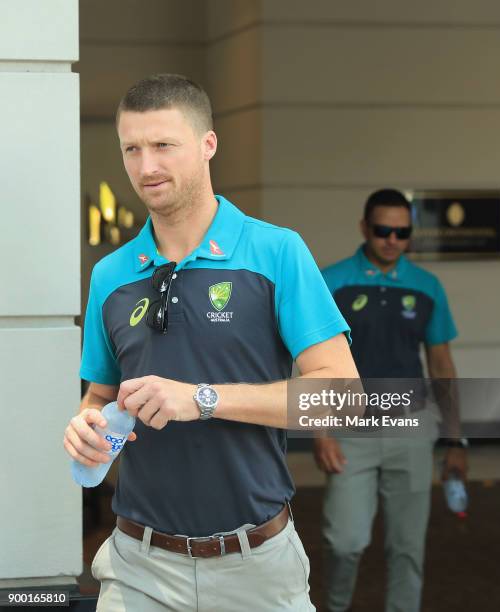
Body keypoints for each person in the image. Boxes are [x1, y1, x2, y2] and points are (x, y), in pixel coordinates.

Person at [63, 74, 359, 612]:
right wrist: (87, 425)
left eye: (163, 146)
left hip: (258, 566)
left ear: (207, 145)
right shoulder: (110, 274)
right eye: (131, 149)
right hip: (137, 566)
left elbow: (342, 397)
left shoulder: (276, 252)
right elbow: (99, 395)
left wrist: (201, 398)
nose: (145, 166)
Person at [315, 189, 468, 612]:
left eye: (402, 232)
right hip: (349, 434)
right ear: (365, 228)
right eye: (383, 230)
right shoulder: (331, 282)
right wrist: (321, 432)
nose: (392, 240)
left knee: (406, 549)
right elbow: (315, 363)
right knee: (344, 541)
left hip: (413, 430)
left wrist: (455, 441)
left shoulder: (427, 287)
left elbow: (442, 365)